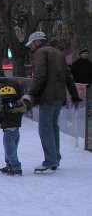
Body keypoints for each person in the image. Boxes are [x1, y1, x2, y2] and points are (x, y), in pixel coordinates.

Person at [23, 31, 81, 173]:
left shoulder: (40, 53)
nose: (31, 47)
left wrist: (30, 95)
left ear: (37, 42)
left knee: (45, 128)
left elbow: (40, 77)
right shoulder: (59, 54)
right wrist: (75, 96)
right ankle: (56, 158)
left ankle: (50, 160)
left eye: (31, 44)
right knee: (53, 127)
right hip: (59, 96)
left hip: (47, 96)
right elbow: (68, 77)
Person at [0, 84, 30, 176]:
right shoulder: (18, 106)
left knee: (10, 151)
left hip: (8, 133)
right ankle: (9, 165)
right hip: (16, 132)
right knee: (10, 149)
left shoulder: (2, 108)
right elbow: (25, 105)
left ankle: (16, 168)